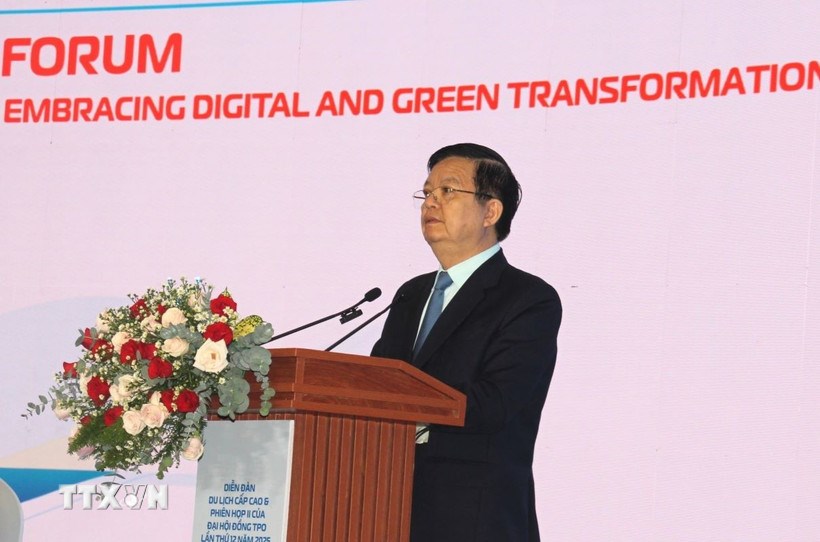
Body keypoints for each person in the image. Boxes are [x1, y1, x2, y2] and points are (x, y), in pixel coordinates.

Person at [371, 143, 562, 541]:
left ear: (490, 212)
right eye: (427, 192)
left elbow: (496, 402)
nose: (430, 203)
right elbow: (377, 382)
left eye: (448, 191)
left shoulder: (528, 299)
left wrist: (404, 407)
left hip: (474, 518)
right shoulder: (411, 294)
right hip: (387, 508)